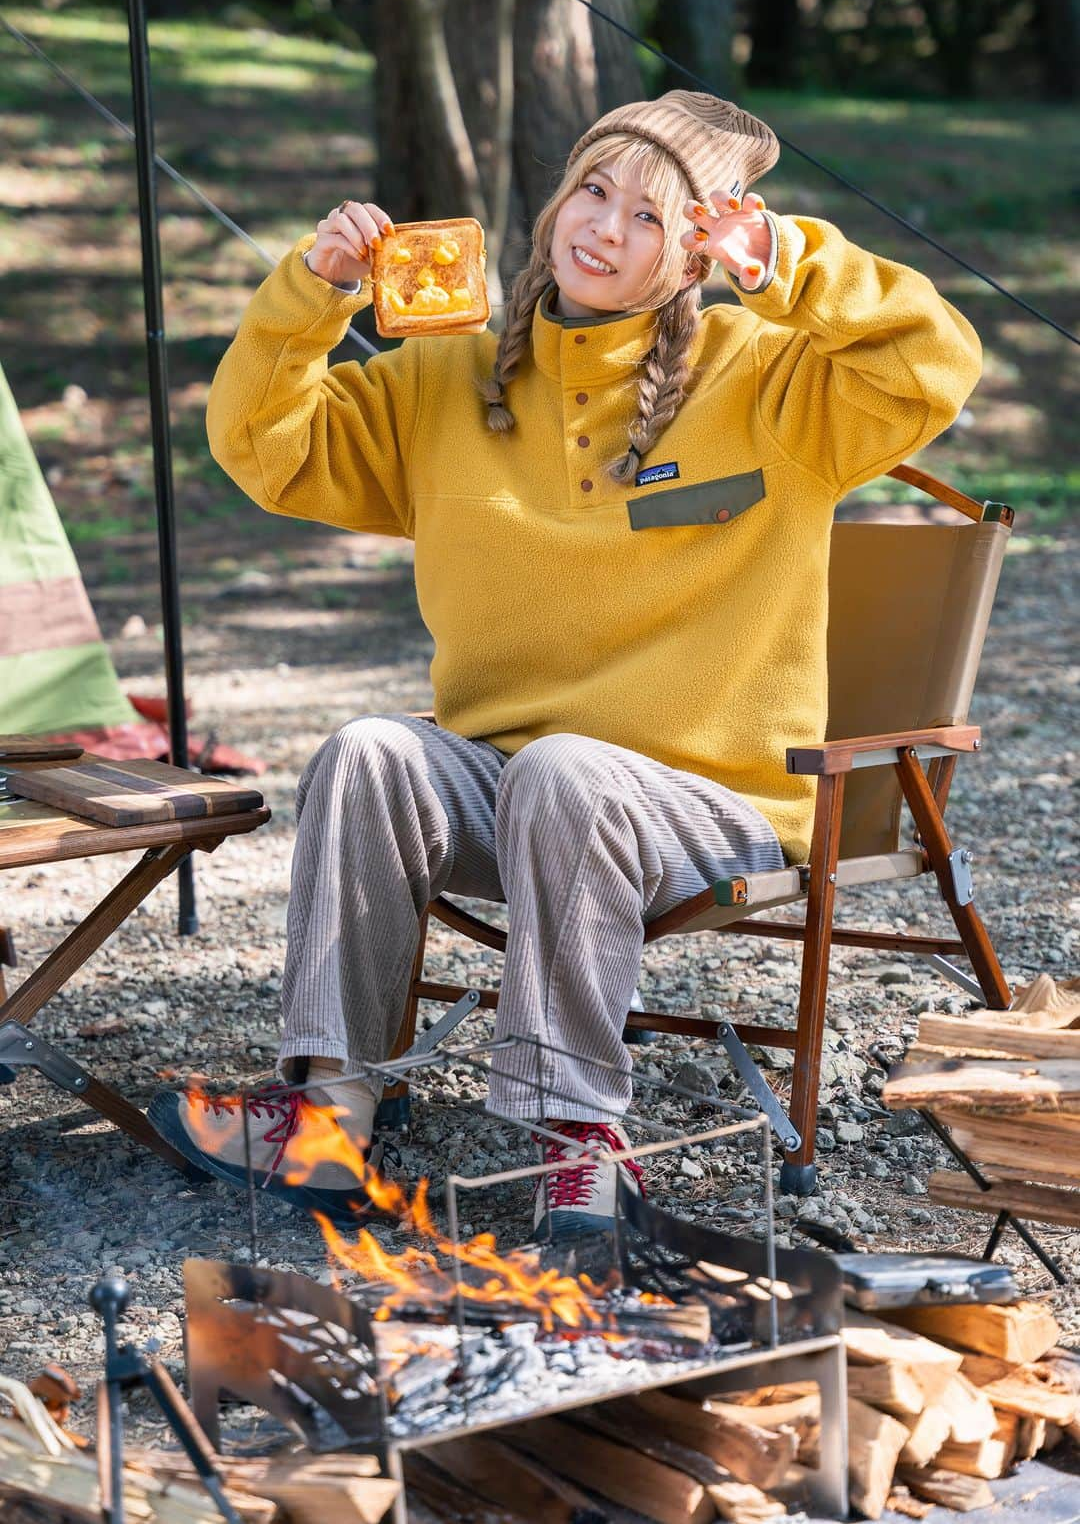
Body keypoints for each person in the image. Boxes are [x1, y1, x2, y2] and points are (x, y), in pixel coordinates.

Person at [149, 92, 981, 1238]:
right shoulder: (448, 375)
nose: (603, 227)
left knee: (568, 772)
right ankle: (333, 1114)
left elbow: (938, 362)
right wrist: (311, 293)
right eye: (593, 189)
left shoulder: (772, 379)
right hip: (517, 783)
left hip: (713, 800)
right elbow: (265, 447)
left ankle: (578, 1136)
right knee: (370, 752)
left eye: (649, 214)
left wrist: (788, 261)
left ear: (696, 247)